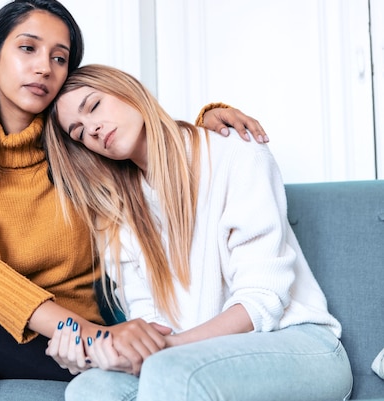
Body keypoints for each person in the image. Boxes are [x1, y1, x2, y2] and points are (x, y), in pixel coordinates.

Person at [0, 0, 267, 401]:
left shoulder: (77, 146)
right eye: (28, 48)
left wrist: (207, 122)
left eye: (59, 57)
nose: (44, 67)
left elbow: (145, 139)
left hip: (63, 344)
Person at [44, 64, 353, 401]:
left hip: (297, 343)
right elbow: (148, 320)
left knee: (170, 372)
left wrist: (168, 348)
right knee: (90, 389)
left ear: (127, 88)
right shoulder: (115, 211)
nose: (93, 128)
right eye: (78, 132)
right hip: (190, 358)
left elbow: (263, 300)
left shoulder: (238, 152)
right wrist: (102, 354)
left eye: (94, 106)